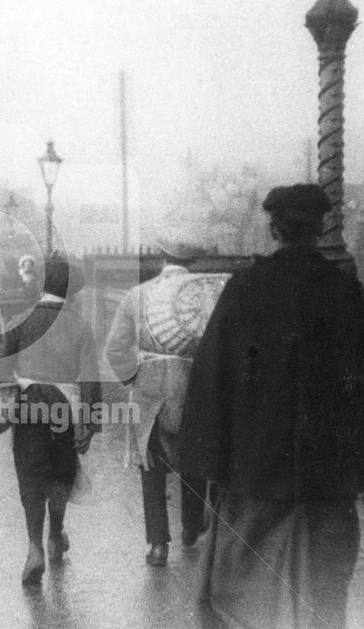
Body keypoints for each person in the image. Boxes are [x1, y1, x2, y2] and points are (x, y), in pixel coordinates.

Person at [179, 184, 364, 629]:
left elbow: (213, 374)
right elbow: (360, 381)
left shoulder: (246, 288)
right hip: (328, 471)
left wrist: (209, 461)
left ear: (273, 228)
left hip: (255, 467)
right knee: (325, 588)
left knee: (245, 585)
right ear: (321, 227)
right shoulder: (345, 289)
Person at [104, 240, 221, 567]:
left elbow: (115, 350)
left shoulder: (137, 295)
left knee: (150, 465)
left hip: (149, 390)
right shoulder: (207, 296)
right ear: (193, 261)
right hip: (193, 388)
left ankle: (158, 545)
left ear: (162, 257)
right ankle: (190, 528)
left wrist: (134, 379)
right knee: (193, 461)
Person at [0, 255, 102, 586]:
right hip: (65, 410)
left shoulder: (20, 320)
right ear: (71, 291)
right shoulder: (80, 325)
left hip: (28, 407)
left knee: (31, 474)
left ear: (41, 285)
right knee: (60, 473)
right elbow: (90, 381)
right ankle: (56, 537)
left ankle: (34, 547)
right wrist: (90, 424)